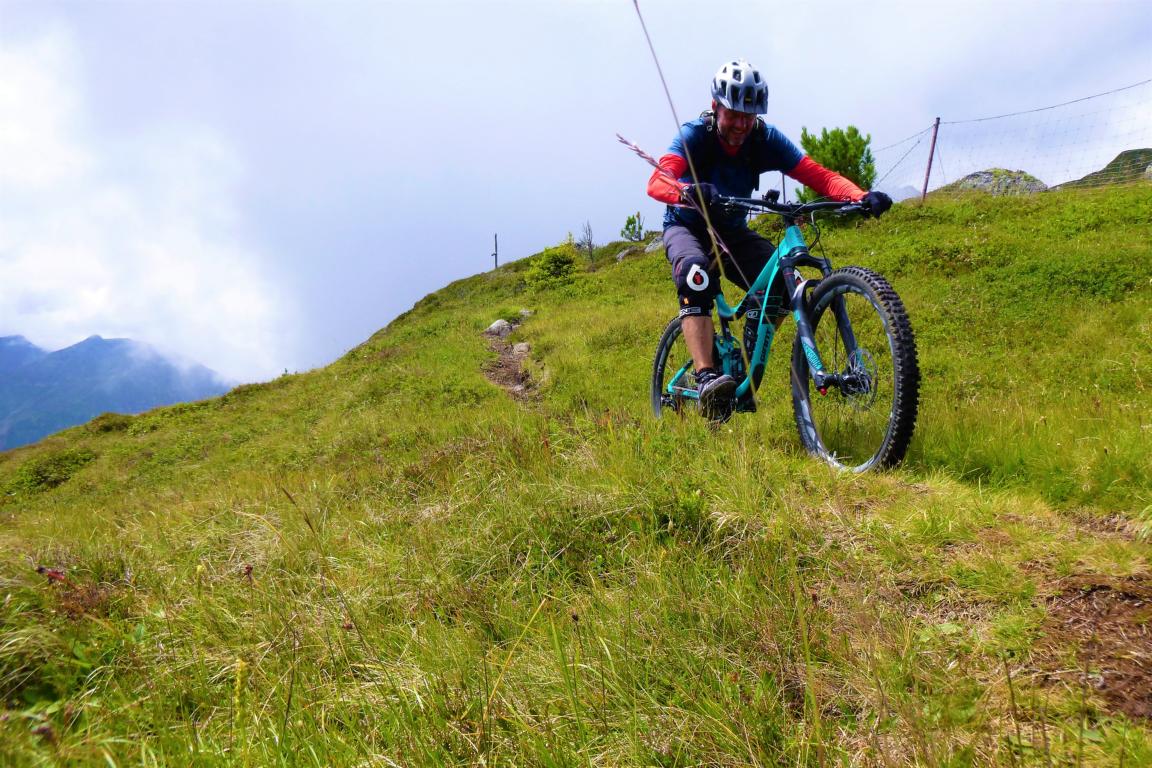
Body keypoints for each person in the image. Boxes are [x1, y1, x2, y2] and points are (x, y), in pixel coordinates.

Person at [647, 58, 892, 417]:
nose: (741, 125)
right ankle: (706, 377)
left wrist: (859, 196)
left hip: (732, 232)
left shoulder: (764, 139)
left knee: (785, 284)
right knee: (695, 274)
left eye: (749, 116)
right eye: (733, 114)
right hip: (687, 225)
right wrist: (687, 190)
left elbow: (819, 176)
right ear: (715, 107)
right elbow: (658, 179)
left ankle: (746, 363)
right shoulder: (695, 135)